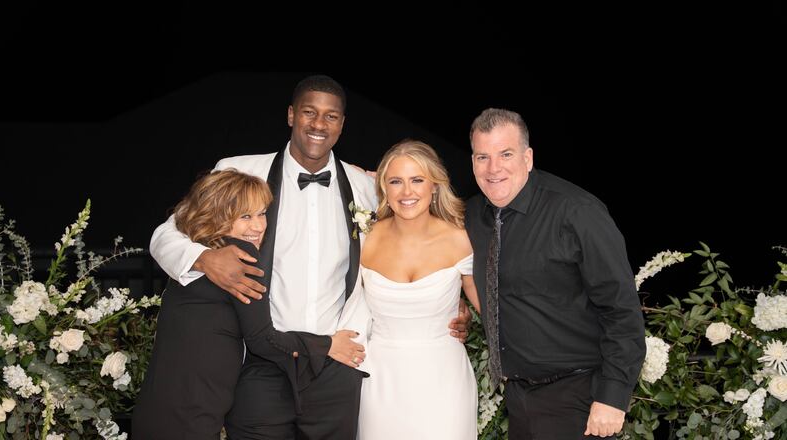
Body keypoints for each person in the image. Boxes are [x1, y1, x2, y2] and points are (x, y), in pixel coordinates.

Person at [149, 75, 471, 439]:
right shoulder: (240, 171)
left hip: (336, 364)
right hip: (262, 363)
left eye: (331, 116)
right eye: (309, 112)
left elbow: (409, 243)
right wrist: (203, 258)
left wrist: (447, 302)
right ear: (291, 115)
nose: (319, 124)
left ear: (342, 124)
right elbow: (165, 235)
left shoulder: (367, 188)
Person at [132, 169, 360, 439]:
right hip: (193, 412)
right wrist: (328, 344)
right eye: (245, 216)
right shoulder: (240, 256)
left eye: (262, 213)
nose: (258, 226)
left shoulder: (196, 254)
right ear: (218, 215)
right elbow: (263, 341)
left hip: (158, 405)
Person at [464, 108, 646, 439]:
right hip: (519, 398)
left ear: (528, 157)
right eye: (482, 157)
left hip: (578, 396)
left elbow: (621, 310)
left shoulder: (577, 212)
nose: (493, 169)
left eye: (506, 154)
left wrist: (613, 397)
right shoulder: (474, 214)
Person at [356, 139, 480, 439]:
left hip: (444, 382)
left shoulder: (461, 239)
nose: (407, 192)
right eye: (396, 181)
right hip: (379, 381)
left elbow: (493, 310)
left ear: (434, 185)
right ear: (383, 187)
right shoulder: (364, 239)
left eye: (417, 180)